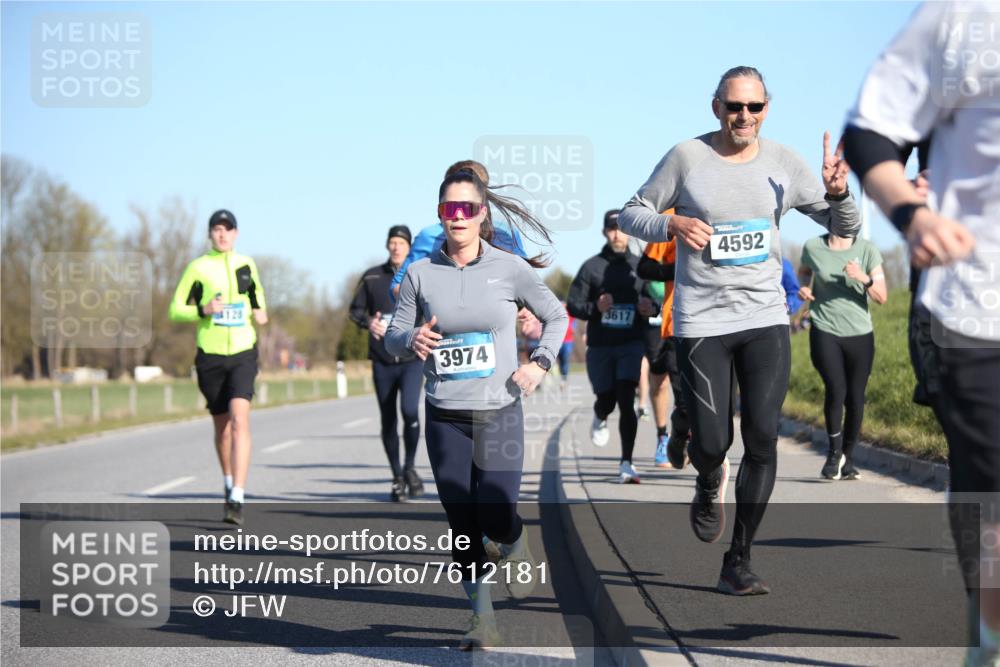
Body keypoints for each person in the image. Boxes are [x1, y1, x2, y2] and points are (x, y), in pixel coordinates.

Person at [618, 66, 859, 595]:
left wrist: (841, 194)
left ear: (766, 109)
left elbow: (845, 228)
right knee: (713, 441)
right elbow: (632, 213)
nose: (743, 116)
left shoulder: (784, 163)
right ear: (716, 108)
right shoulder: (687, 157)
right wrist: (671, 223)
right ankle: (708, 475)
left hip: (765, 319)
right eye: (733, 107)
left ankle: (739, 559)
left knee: (763, 437)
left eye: (753, 107)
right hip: (701, 320)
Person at [841, 4, 998, 663]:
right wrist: (910, 212)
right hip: (980, 304)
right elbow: (872, 132)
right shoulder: (963, 16)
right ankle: (990, 633)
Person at [385, 168, 567, 650]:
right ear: (440, 215)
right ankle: (482, 619)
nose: (458, 217)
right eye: (450, 209)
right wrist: (412, 338)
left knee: (495, 506)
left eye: (467, 208)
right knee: (462, 523)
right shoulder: (421, 274)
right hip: (444, 412)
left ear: (482, 214)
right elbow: (394, 335)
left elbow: (555, 316)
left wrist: (541, 364)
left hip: (499, 408)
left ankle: (514, 539)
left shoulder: (509, 268)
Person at [169, 209, 268, 526]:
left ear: (236, 233)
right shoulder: (198, 268)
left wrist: (260, 311)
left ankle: (237, 496)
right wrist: (204, 309)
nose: (222, 234)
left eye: (227, 229)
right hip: (210, 355)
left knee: (241, 421)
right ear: (210, 234)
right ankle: (228, 481)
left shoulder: (246, 264)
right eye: (216, 229)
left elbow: (257, 296)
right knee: (222, 428)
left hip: (243, 351)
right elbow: (175, 309)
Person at [567, 209, 658, 484]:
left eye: (621, 228)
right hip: (601, 346)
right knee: (606, 400)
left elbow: (655, 301)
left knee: (625, 398)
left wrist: (649, 307)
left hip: (631, 342)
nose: (617, 234)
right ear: (605, 233)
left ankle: (626, 463)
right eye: (612, 229)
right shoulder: (591, 267)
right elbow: (573, 305)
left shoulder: (641, 265)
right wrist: (596, 307)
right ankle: (600, 415)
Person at [797, 233, 887, 480]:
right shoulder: (813, 246)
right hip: (824, 328)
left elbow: (882, 297)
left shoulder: (868, 250)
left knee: (856, 397)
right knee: (836, 388)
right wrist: (804, 286)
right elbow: (804, 271)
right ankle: (834, 453)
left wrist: (863, 278)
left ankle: (847, 458)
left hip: (860, 333)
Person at [349, 225, 424, 501]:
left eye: (401, 243)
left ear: (408, 247)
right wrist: (369, 322)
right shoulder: (371, 277)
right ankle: (396, 477)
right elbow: (354, 310)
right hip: (382, 360)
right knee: (388, 419)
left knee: (410, 412)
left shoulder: (419, 274)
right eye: (392, 242)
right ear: (387, 246)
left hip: (411, 357)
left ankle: (411, 468)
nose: (396, 247)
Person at [637, 235, 685, 468]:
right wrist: (645, 305)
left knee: (681, 384)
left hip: (679, 322)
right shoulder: (655, 241)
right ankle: (662, 436)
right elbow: (640, 279)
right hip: (654, 327)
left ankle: (682, 435)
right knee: (659, 382)